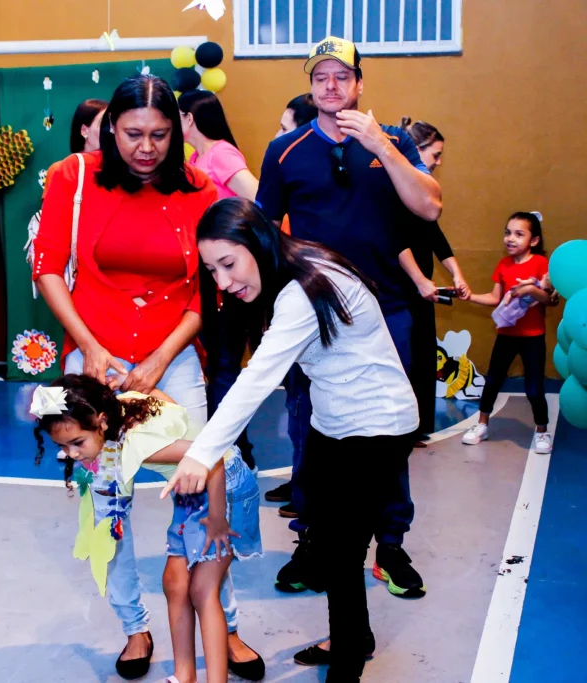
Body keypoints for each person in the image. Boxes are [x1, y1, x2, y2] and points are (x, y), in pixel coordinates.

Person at [33, 74, 262, 680]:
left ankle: (225, 622)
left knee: (202, 482)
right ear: (111, 127)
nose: (147, 147)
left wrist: (161, 359)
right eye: (134, 133)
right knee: (108, 501)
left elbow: (205, 290)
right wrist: (89, 347)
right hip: (92, 359)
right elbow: (49, 268)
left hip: (172, 354)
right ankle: (133, 625)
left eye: (160, 135)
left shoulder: (198, 187)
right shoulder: (72, 177)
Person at [162, 198, 419, 683]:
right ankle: (355, 636)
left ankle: (347, 664)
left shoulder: (301, 290)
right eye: (212, 270)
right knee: (324, 533)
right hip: (333, 421)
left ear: (257, 242)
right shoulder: (292, 272)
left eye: (229, 264)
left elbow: (257, 378)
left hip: (377, 427)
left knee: (342, 553)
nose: (222, 281)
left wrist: (201, 453)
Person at [254, 36, 441, 601]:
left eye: (342, 76)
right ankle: (314, 540)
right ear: (311, 87)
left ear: (360, 83)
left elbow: (429, 206)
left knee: (390, 434)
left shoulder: (394, 143)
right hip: (316, 316)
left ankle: (390, 544)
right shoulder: (284, 151)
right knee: (308, 428)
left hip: (388, 312)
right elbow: (264, 234)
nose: (331, 86)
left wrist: (381, 144)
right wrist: (270, 308)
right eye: (320, 78)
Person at [32, 375, 261, 683]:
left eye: (77, 443)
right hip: (192, 492)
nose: (72, 454)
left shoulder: (140, 445)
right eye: (63, 446)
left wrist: (218, 517)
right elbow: (169, 405)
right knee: (174, 584)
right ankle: (184, 675)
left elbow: (214, 457)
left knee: (203, 591)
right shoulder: (125, 406)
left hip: (225, 491)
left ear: (101, 422)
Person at [177, 89, 259, 472]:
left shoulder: (222, 154)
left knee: (225, 364)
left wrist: (236, 247)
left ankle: (235, 452)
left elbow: (257, 199)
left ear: (189, 118)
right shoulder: (194, 160)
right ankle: (230, 447)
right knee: (217, 364)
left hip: (232, 279)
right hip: (208, 277)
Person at [395, 118, 470, 446]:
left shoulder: (422, 189)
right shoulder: (395, 188)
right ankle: (401, 427)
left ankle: (417, 425)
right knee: (404, 356)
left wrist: (456, 272)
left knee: (424, 354)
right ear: (416, 149)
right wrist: (419, 279)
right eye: (435, 155)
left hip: (422, 289)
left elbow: (434, 235)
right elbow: (395, 240)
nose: (438, 162)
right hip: (399, 288)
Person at [462, 212, 555, 454]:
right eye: (507, 233)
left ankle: (542, 431)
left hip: (533, 337)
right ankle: (482, 425)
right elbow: (495, 298)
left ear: (534, 240)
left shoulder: (541, 264)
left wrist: (528, 290)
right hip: (506, 335)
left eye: (518, 234)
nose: (510, 238)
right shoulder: (503, 265)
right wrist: (470, 296)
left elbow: (550, 299)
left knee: (534, 388)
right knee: (493, 381)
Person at [264, 93, 318, 510]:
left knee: (306, 403)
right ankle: (302, 479)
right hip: (292, 297)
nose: (277, 137)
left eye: (285, 129)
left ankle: (309, 490)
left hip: (311, 304)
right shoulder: (285, 181)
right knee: (297, 401)